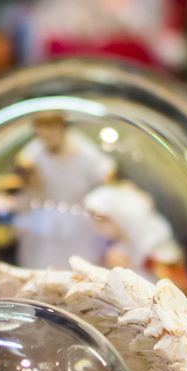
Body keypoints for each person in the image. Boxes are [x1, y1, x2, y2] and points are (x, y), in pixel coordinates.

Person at [11, 111, 116, 268]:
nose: (46, 136)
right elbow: (25, 166)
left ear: (61, 128)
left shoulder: (81, 148)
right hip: (47, 218)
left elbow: (106, 173)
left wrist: (102, 206)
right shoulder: (37, 149)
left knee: (79, 266)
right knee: (44, 265)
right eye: (41, 131)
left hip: (79, 218)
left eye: (50, 129)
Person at [82, 182, 187, 295]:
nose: (95, 225)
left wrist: (126, 272)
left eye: (100, 219)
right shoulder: (116, 246)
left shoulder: (158, 251)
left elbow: (178, 291)